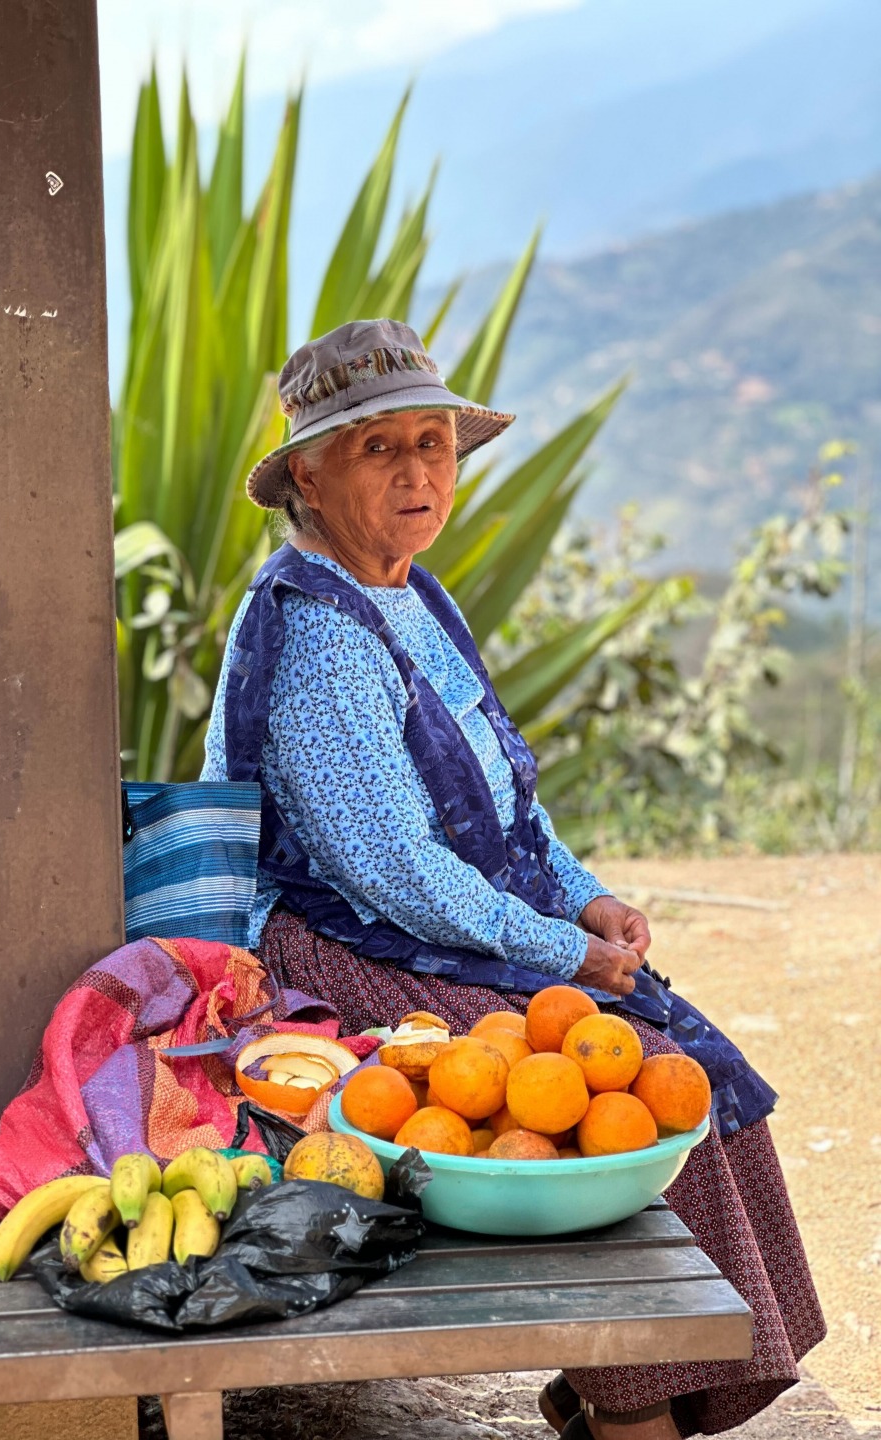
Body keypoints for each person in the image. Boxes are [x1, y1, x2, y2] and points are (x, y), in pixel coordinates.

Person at [202, 319, 824, 1439]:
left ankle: (640, 1397)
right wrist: (560, 951)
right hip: (349, 949)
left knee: (686, 1073)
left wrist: (587, 899)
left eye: (433, 444)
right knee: (595, 1114)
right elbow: (389, 870)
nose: (417, 472)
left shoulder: (413, 595)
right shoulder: (316, 631)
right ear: (308, 472)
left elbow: (507, 804)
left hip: (443, 923)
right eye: (378, 448)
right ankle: (631, 1406)